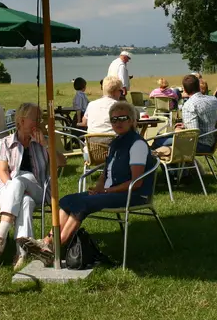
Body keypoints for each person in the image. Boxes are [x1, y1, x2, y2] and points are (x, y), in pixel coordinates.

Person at [21, 101, 154, 265]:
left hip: (132, 194)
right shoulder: (116, 142)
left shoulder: (137, 144)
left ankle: (55, 246)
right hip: (112, 192)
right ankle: (47, 242)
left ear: (132, 120)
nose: (117, 122)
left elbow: (137, 182)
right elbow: (106, 172)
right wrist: (99, 188)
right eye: (113, 120)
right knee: (67, 200)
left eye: (122, 118)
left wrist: (106, 192)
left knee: (82, 204)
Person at [0, 103, 57, 268]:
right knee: (25, 201)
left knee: (21, 179)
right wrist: (14, 190)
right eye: (35, 119)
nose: (39, 122)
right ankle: (21, 254)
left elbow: (61, 162)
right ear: (22, 121)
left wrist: (45, 145)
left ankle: (1, 235)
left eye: (40, 118)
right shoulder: (5, 142)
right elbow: (2, 172)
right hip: (7, 190)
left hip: (38, 189)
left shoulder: (43, 141)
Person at [152, 74, 217, 153]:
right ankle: (180, 164)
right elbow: (204, 120)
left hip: (197, 145)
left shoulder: (189, 105)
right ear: (198, 86)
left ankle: (172, 164)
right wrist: (185, 126)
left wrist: (179, 130)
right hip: (210, 142)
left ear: (184, 89)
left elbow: (192, 134)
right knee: (163, 138)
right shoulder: (213, 100)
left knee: (158, 140)